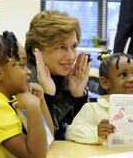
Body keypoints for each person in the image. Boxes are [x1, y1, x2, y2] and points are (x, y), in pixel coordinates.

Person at [0, 27, 53, 158]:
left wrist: (41, 102)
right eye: (22, 64)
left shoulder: (10, 99)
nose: (29, 71)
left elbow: (47, 139)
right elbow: (36, 155)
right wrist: (33, 107)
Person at [25, 10, 91, 140]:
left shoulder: (71, 77)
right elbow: (44, 140)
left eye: (74, 46)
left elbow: (86, 133)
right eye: (61, 47)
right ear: (36, 49)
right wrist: (47, 96)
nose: (71, 56)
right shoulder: (23, 81)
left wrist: (79, 96)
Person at [65, 52, 133, 144]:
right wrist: (96, 132)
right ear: (105, 83)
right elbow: (71, 132)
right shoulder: (92, 109)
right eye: (123, 75)